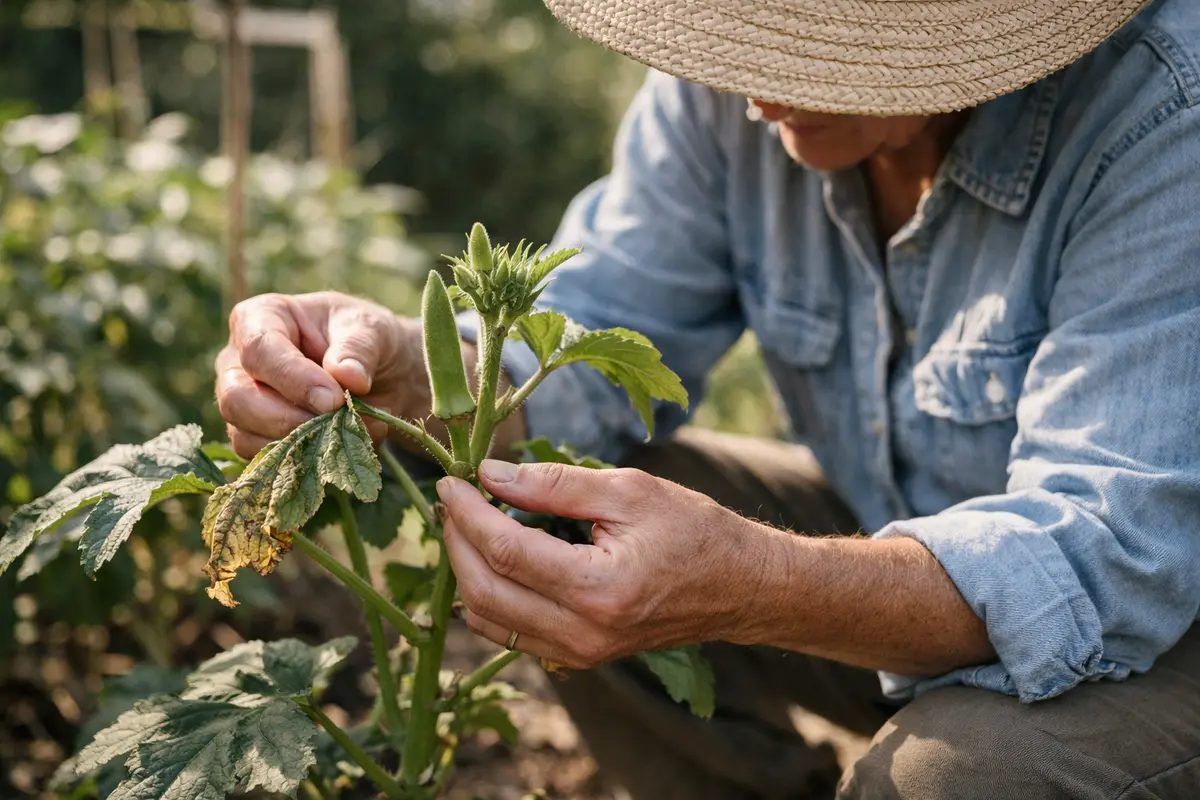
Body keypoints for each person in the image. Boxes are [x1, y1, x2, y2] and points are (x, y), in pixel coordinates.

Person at [215, 0, 1200, 796]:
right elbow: (592, 336)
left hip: (1166, 629)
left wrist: (747, 579)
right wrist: (404, 373)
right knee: (574, 522)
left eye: (813, 42)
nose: (759, 93)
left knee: (966, 778)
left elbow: (1101, 558)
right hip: (916, 544)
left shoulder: (1166, 112)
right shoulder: (722, 96)